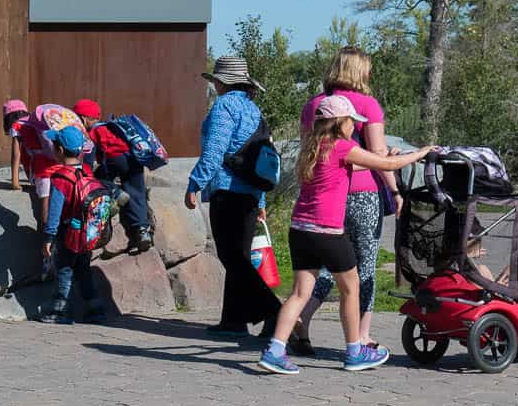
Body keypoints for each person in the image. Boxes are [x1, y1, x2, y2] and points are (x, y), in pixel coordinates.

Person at [257, 95, 436, 375]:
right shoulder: (343, 146)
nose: (355, 125)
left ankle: (275, 350)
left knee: (300, 293)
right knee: (351, 287)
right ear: (340, 122)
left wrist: (383, 158)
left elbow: (362, 164)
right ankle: (355, 351)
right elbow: (385, 168)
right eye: (352, 121)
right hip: (327, 232)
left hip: (300, 230)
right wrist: (420, 153)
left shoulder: (313, 147)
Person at [292, 47, 397, 356]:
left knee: (326, 266)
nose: (370, 75)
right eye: (367, 69)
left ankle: (303, 318)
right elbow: (378, 155)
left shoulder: (313, 105)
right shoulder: (367, 105)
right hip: (363, 194)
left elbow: (307, 153)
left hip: (322, 197)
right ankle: (361, 337)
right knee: (363, 267)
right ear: (358, 71)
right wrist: (397, 192)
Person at [186, 56, 280, 339]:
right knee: (238, 256)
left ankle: (274, 311)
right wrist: (261, 201)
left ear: (220, 82)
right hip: (251, 193)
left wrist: (194, 183)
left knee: (232, 258)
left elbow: (215, 150)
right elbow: (259, 157)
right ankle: (234, 320)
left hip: (228, 191)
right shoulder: (253, 109)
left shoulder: (224, 107)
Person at [39, 126, 112, 324]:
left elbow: (54, 212)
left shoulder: (61, 178)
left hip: (68, 233)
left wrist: (48, 237)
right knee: (83, 270)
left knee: (64, 269)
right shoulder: (87, 171)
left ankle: (59, 311)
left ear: (60, 150)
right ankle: (95, 310)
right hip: (88, 232)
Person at [74, 98, 154, 254]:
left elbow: (88, 164)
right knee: (137, 192)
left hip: (114, 160)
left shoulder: (91, 132)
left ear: (84, 118)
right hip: (134, 158)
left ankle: (115, 192)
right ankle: (142, 230)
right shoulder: (112, 126)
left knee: (96, 178)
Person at [4, 100, 63, 225]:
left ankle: (46, 232)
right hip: (58, 163)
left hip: (42, 168)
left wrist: (15, 182)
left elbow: (16, 154)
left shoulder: (17, 126)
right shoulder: (36, 121)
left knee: (45, 203)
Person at [466, 223, 518, 308]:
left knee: (485, 268)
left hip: (485, 294)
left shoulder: (456, 263)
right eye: (479, 240)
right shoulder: (472, 269)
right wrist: (497, 287)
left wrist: (469, 254)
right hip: (489, 299)